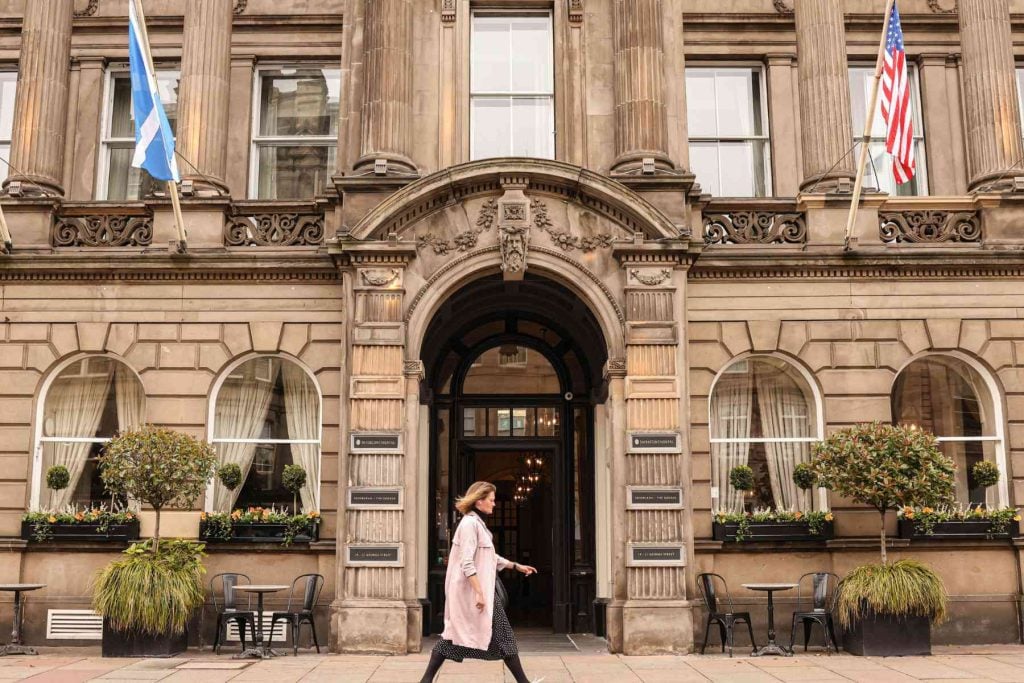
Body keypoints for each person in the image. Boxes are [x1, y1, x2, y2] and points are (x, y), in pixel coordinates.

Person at [420, 481, 539, 683]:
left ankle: (425, 681)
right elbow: (467, 562)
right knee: (504, 638)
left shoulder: (477, 524)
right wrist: (479, 593)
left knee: (452, 639)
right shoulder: (468, 525)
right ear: (479, 501)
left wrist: (516, 566)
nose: (494, 504)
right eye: (491, 500)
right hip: (475, 592)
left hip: (480, 591)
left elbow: (490, 556)